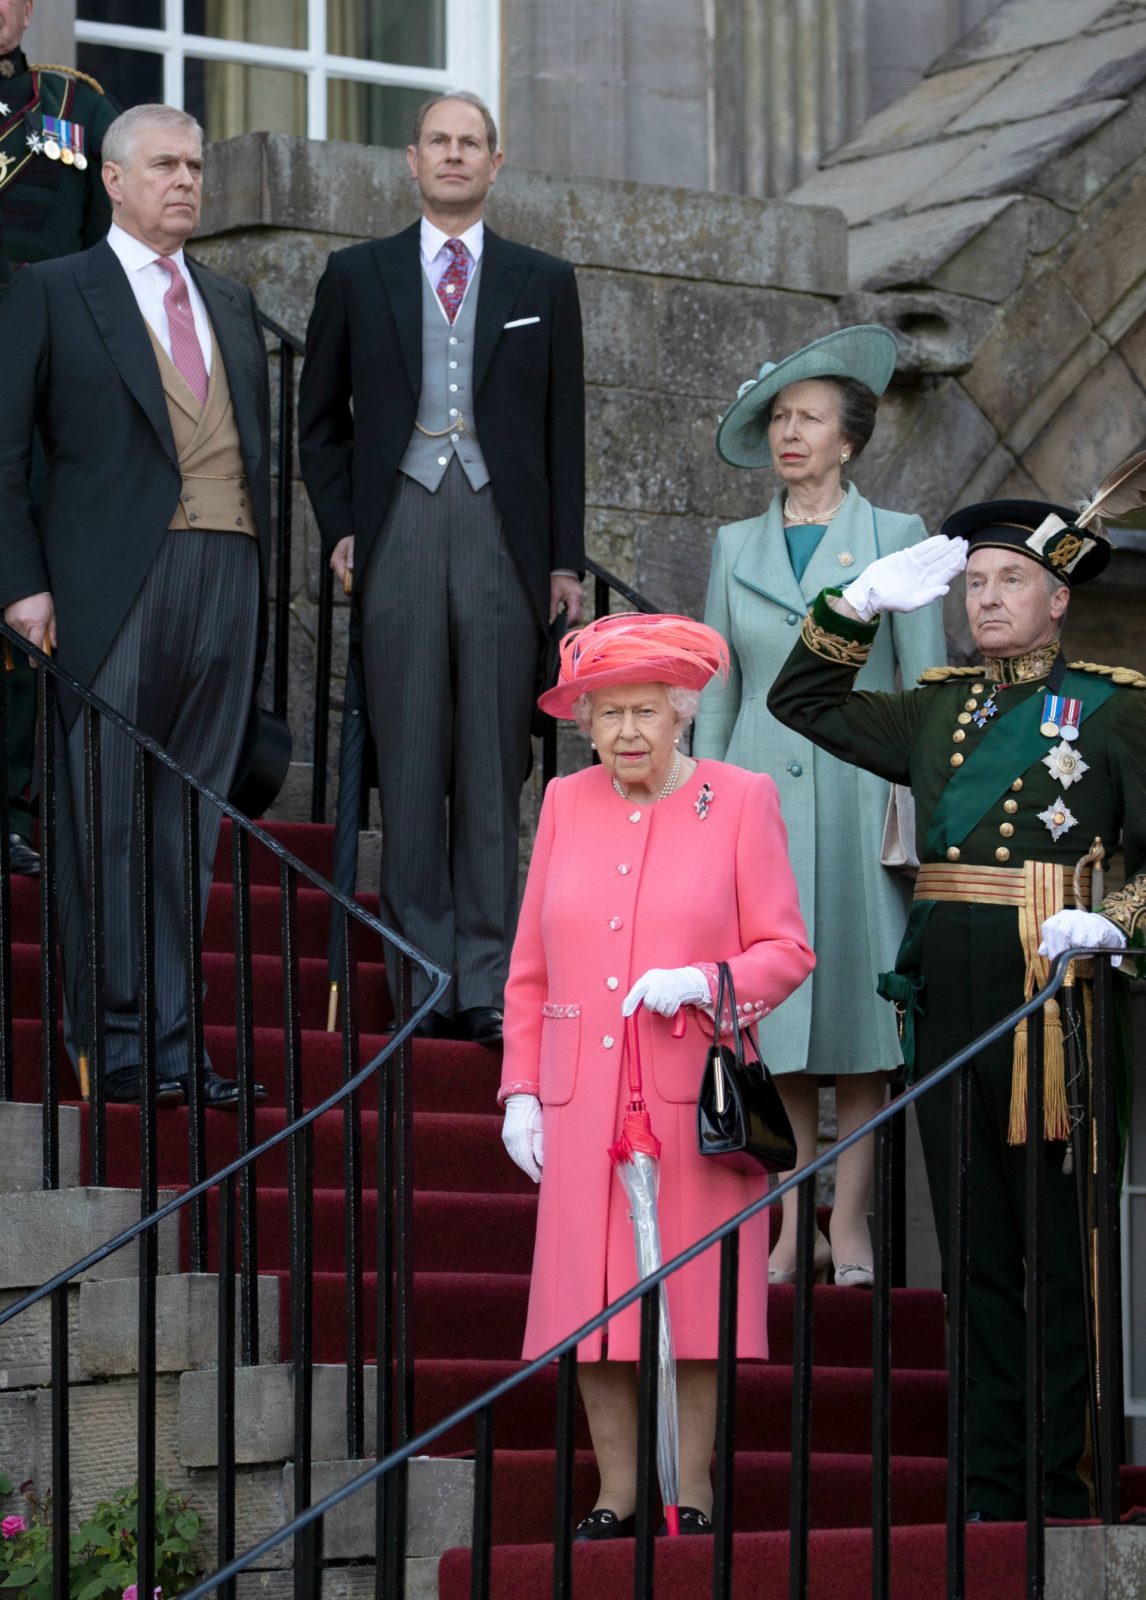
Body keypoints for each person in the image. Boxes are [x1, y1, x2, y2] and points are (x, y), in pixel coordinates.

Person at [767, 499, 1145, 1520]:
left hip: (1058, 987)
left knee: (1059, 1244)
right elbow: (800, 699)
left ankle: (1064, 1479)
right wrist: (853, 605)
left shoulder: (1116, 710)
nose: (986, 599)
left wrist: (1119, 922)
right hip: (946, 989)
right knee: (974, 1238)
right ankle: (988, 1482)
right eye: (973, 584)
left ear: (1059, 600)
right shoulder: (934, 709)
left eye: (1010, 581)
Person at [499, 612, 815, 1537]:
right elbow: (529, 965)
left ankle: (695, 1491)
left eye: (644, 711)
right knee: (589, 1306)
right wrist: (521, 1087)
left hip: (690, 1095)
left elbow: (788, 951)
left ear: (682, 714)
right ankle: (617, 1493)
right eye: (607, 715)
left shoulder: (740, 797)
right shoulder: (565, 802)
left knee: (695, 1300)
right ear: (585, 725)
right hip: (579, 1094)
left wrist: (705, 983)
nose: (626, 732)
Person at [0, 103, 274, 1108]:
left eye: (195, 165)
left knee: (184, 826)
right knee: (103, 818)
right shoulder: (55, 290)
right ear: (111, 180)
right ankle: (112, 1042)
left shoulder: (232, 302)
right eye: (163, 164)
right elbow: (4, 451)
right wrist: (23, 584)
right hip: (110, 583)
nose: (185, 181)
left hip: (228, 576)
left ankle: (172, 1046)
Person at [299, 90, 586, 1045]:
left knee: (495, 766)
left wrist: (563, 562)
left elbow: (564, 433)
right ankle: (422, 979)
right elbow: (319, 425)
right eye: (440, 142)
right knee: (411, 762)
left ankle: (488, 982)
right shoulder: (356, 274)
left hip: (504, 535)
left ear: (495, 165)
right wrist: (344, 527)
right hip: (401, 528)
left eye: (472, 144)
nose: (455, 156)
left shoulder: (543, 281)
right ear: (411, 161)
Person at [692, 325, 946, 1287]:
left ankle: (855, 1222)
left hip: (859, 799)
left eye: (808, 420)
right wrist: (702, 803)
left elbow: (926, 684)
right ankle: (791, 1221)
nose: (788, 434)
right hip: (757, 797)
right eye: (778, 419)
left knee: (864, 1022)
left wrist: (931, 810)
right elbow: (717, 685)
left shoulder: (897, 539)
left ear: (849, 440)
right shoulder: (732, 545)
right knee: (781, 1022)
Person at [0, 0, 120, 878]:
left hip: (34, 383)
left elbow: (106, 253)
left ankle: (12, 802)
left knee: (20, 587)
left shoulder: (73, 108)